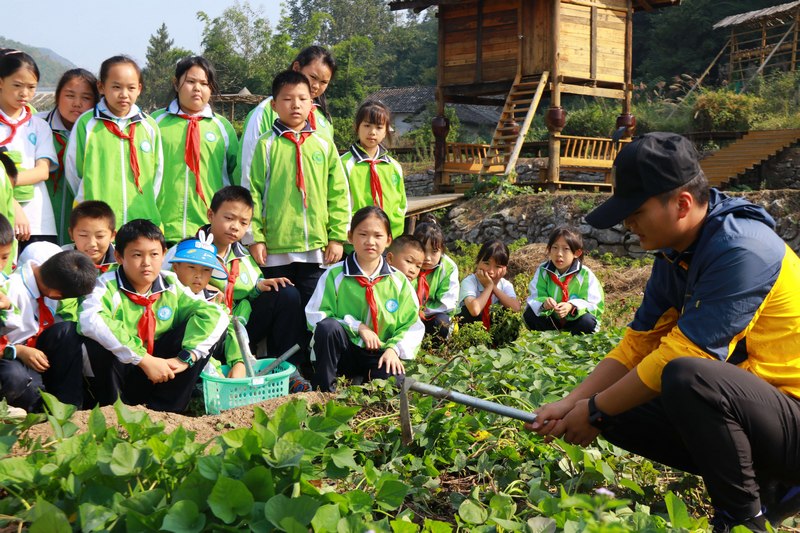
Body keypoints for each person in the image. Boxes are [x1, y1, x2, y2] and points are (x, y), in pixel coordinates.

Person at [527, 132, 800, 533]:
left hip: (791, 414)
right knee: (621, 406)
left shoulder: (743, 249)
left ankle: (745, 520)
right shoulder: (676, 253)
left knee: (687, 376)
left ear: (682, 203)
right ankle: (768, 485)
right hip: (757, 412)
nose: (627, 223)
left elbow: (686, 355)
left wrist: (596, 410)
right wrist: (575, 404)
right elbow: (638, 344)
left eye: (635, 211)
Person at [77, 219, 228, 412]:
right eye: (137, 255)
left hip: (164, 370)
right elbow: (90, 320)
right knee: (98, 338)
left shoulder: (171, 283)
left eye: (154, 254)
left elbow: (216, 314)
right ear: (119, 256)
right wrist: (144, 360)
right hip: (122, 371)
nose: (146, 263)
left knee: (208, 328)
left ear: (164, 254)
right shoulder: (105, 286)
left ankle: (167, 411)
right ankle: (114, 412)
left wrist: (184, 359)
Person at [242, 70, 351, 307]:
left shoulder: (323, 145)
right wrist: (254, 239)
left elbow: (339, 193)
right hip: (274, 248)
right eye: (287, 99)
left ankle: (309, 347)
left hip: (316, 248)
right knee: (281, 309)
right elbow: (251, 195)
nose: (295, 105)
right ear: (274, 105)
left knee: (314, 309)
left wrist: (337, 237)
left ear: (311, 104)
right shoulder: (265, 145)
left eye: (302, 99)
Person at [183, 185, 309, 389]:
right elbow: (169, 289)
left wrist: (259, 288)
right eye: (229, 218)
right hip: (203, 327)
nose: (235, 227)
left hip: (238, 326)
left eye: (243, 223)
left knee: (285, 293)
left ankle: (288, 369)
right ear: (211, 214)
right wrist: (202, 292)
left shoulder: (243, 257)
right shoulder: (187, 250)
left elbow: (248, 295)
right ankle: (201, 377)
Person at [306, 206, 424, 392]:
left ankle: (361, 383)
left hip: (380, 353)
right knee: (328, 328)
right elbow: (316, 316)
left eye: (378, 236)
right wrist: (357, 326)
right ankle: (323, 393)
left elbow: (412, 325)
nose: (370, 242)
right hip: (344, 352)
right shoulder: (334, 275)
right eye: (363, 234)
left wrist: (394, 349)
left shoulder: (398, 281)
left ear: (388, 240)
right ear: (350, 237)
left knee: (396, 384)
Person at [64, 55, 163, 229]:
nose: (124, 94)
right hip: (98, 225)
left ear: (139, 89)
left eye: (131, 88)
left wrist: (144, 205)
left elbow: (157, 175)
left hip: (140, 221)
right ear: (101, 86)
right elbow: (74, 171)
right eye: (116, 87)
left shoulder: (149, 126)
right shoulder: (87, 123)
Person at [152, 56, 238, 245]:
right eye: (190, 81)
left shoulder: (222, 128)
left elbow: (235, 177)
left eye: (204, 83)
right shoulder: (153, 123)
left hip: (209, 231)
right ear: (176, 84)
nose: (197, 88)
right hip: (161, 229)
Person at [0, 249, 96, 413]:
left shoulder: (45, 280)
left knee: (68, 331)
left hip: (32, 352)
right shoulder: (8, 292)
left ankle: (68, 406)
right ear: (56, 295)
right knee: (15, 376)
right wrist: (19, 351)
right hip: (9, 356)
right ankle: (32, 409)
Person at [237, 45, 336, 185]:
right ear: (296, 68)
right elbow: (248, 168)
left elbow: (332, 172)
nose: (316, 86)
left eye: (324, 82)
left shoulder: (324, 119)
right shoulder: (265, 111)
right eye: (313, 77)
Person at [0, 49, 58, 250]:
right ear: (0, 82)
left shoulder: (39, 126)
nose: (25, 93)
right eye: (17, 85)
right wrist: (13, 205)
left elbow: (43, 171)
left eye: (31, 87)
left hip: (38, 221)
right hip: (3, 217)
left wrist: (9, 181)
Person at [37, 68, 99, 245]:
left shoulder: (97, 133)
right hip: (41, 220)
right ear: (57, 97)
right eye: (70, 95)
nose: (77, 103)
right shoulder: (37, 125)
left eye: (86, 98)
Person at [341, 100, 406, 253]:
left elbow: (401, 205)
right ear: (356, 127)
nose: (372, 132)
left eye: (379, 127)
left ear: (386, 131)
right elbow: (338, 204)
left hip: (387, 243)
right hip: (353, 244)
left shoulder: (393, 166)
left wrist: (391, 235)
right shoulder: (343, 164)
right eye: (367, 125)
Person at [523, 227, 604, 335]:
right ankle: (550, 338)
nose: (559, 254)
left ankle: (574, 342)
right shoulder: (543, 271)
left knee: (587, 321)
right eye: (555, 247)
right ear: (549, 249)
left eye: (566, 249)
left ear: (577, 253)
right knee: (529, 314)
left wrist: (572, 306)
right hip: (551, 320)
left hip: (575, 322)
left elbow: (594, 304)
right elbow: (535, 295)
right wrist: (544, 303)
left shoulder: (585, 274)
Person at [459, 239, 520, 330]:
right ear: (478, 262)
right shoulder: (469, 282)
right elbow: (474, 310)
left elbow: (516, 308)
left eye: (498, 266)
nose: (491, 271)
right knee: (466, 312)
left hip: (495, 332)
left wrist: (493, 287)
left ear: (505, 269)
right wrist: (488, 287)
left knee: (510, 316)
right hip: (471, 331)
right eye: (486, 263)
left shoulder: (505, 285)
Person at [413, 220, 459, 338]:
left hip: (434, 315)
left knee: (442, 325)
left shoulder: (448, 268)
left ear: (442, 250)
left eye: (434, 251)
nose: (427, 258)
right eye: (423, 250)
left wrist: (421, 311)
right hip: (408, 313)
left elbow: (446, 304)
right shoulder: (406, 261)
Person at [65, 200, 117, 273]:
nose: (92, 243)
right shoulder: (59, 260)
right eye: (83, 235)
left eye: (100, 236)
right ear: (71, 234)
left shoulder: (124, 262)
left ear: (112, 236)